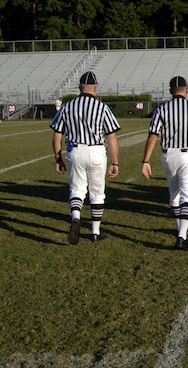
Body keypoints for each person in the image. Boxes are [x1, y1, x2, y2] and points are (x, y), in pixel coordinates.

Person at [141, 76, 188, 250]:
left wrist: (146, 160)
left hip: (168, 155)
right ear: (186, 90)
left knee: (174, 195)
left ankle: (181, 231)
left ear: (171, 91)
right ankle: (181, 236)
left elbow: (152, 136)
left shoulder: (161, 109)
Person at [51, 71, 120, 245]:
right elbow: (111, 137)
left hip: (74, 150)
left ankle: (75, 218)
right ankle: (95, 232)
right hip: (96, 151)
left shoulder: (67, 106)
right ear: (95, 87)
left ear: (80, 87)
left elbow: (57, 135)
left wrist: (58, 159)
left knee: (77, 189)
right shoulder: (102, 107)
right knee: (97, 193)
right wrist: (115, 162)